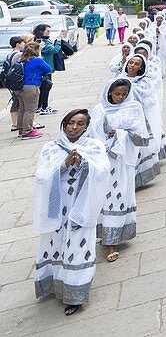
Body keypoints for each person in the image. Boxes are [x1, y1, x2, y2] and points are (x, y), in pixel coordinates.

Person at [32, 109, 110, 316]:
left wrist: (84, 164)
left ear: (86, 126)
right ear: (64, 124)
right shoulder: (51, 148)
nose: (74, 128)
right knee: (55, 244)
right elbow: (41, 176)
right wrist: (63, 165)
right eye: (70, 123)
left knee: (78, 246)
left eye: (80, 124)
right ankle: (53, 284)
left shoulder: (94, 146)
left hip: (81, 206)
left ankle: (75, 294)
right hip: (57, 208)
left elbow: (102, 171)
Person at [90, 78, 148, 261]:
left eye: (124, 94)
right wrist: (108, 142)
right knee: (104, 199)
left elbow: (142, 136)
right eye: (117, 94)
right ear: (109, 93)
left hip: (124, 162)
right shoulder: (99, 110)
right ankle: (106, 236)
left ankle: (113, 241)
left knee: (120, 197)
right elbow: (93, 135)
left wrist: (122, 134)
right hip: (105, 161)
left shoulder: (134, 108)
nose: (120, 97)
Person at [123, 55, 163, 188]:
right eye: (130, 62)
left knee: (139, 148)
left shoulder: (145, 82)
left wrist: (131, 90)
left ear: (141, 67)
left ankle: (141, 177)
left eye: (136, 64)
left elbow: (149, 100)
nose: (132, 65)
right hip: (123, 121)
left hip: (139, 121)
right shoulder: (119, 79)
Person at [16, 42, 52, 140]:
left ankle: (21, 129)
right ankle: (27, 131)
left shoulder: (21, 59)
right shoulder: (36, 60)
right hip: (31, 87)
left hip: (19, 87)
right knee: (30, 110)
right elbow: (49, 69)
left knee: (22, 109)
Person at [32, 24, 63, 116]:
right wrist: (59, 40)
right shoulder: (42, 42)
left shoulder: (44, 41)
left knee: (44, 88)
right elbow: (54, 50)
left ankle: (41, 106)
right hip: (44, 69)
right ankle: (43, 106)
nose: (49, 33)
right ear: (41, 31)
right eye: (47, 31)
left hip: (45, 68)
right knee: (45, 88)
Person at [6, 35, 32, 133]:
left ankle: (15, 123)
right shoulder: (17, 55)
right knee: (19, 102)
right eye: (22, 43)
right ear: (18, 44)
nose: (24, 45)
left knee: (15, 101)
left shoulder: (10, 54)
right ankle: (16, 123)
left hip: (11, 81)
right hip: (17, 81)